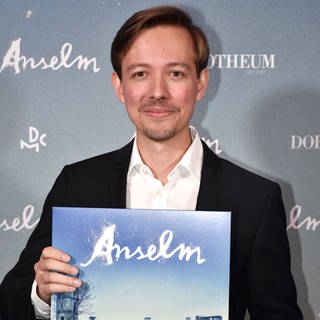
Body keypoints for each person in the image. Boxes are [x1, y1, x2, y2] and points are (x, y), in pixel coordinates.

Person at [0, 5, 303, 320]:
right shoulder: (76, 184)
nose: (158, 92)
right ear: (120, 86)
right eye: (140, 74)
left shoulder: (255, 198)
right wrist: (42, 292)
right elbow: (10, 300)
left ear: (200, 83)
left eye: (175, 73)